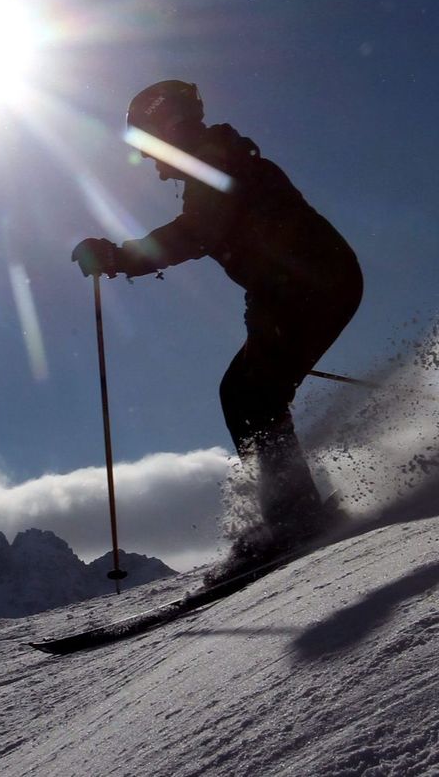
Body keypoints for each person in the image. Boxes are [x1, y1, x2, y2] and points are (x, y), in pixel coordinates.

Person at [72, 80, 362, 563]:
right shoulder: (215, 160)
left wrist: (119, 256)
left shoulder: (215, 159)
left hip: (316, 287)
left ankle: (298, 518)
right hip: (302, 291)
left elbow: (197, 233)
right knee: (243, 392)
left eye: (147, 144)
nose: (148, 161)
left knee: (254, 395)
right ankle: (294, 512)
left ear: (169, 127)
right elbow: (241, 246)